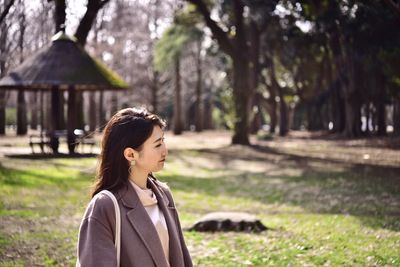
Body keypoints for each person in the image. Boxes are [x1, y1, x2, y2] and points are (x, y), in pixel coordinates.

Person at [76, 107, 192, 267]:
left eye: (163, 141)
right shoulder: (104, 206)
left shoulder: (163, 194)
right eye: (157, 145)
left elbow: (182, 258)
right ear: (131, 154)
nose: (165, 150)